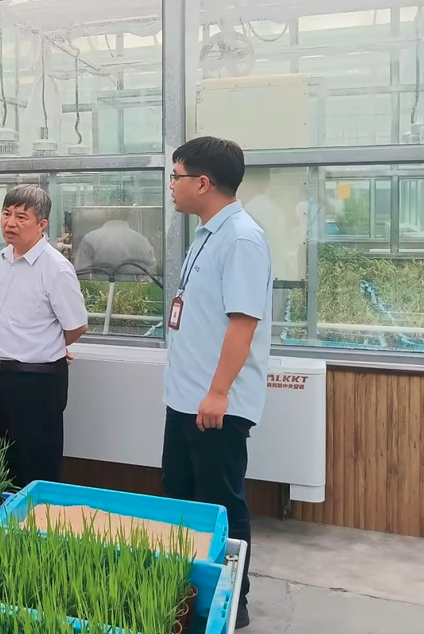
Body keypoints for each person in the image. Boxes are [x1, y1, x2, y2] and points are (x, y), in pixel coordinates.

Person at [162, 136, 270, 630]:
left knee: (221, 503)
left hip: (215, 404)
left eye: (177, 176)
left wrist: (219, 391)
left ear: (202, 182)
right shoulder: (207, 233)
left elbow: (243, 324)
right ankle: (190, 591)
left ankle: (232, 601)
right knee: (182, 497)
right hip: (186, 398)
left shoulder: (241, 238)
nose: (172, 185)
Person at [0, 184, 88, 489]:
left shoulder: (55, 268)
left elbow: (77, 325)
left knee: (36, 464)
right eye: (6, 214)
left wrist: (49, 345)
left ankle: (37, 519)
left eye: (21, 217)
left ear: (42, 224)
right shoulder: (1, 259)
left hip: (36, 382)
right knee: (2, 464)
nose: (10, 223)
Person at [74, 207, 158, 280]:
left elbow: (81, 275)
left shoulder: (90, 238)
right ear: (130, 213)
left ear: (107, 212)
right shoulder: (142, 240)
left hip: (98, 292)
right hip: (136, 292)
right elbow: (151, 275)